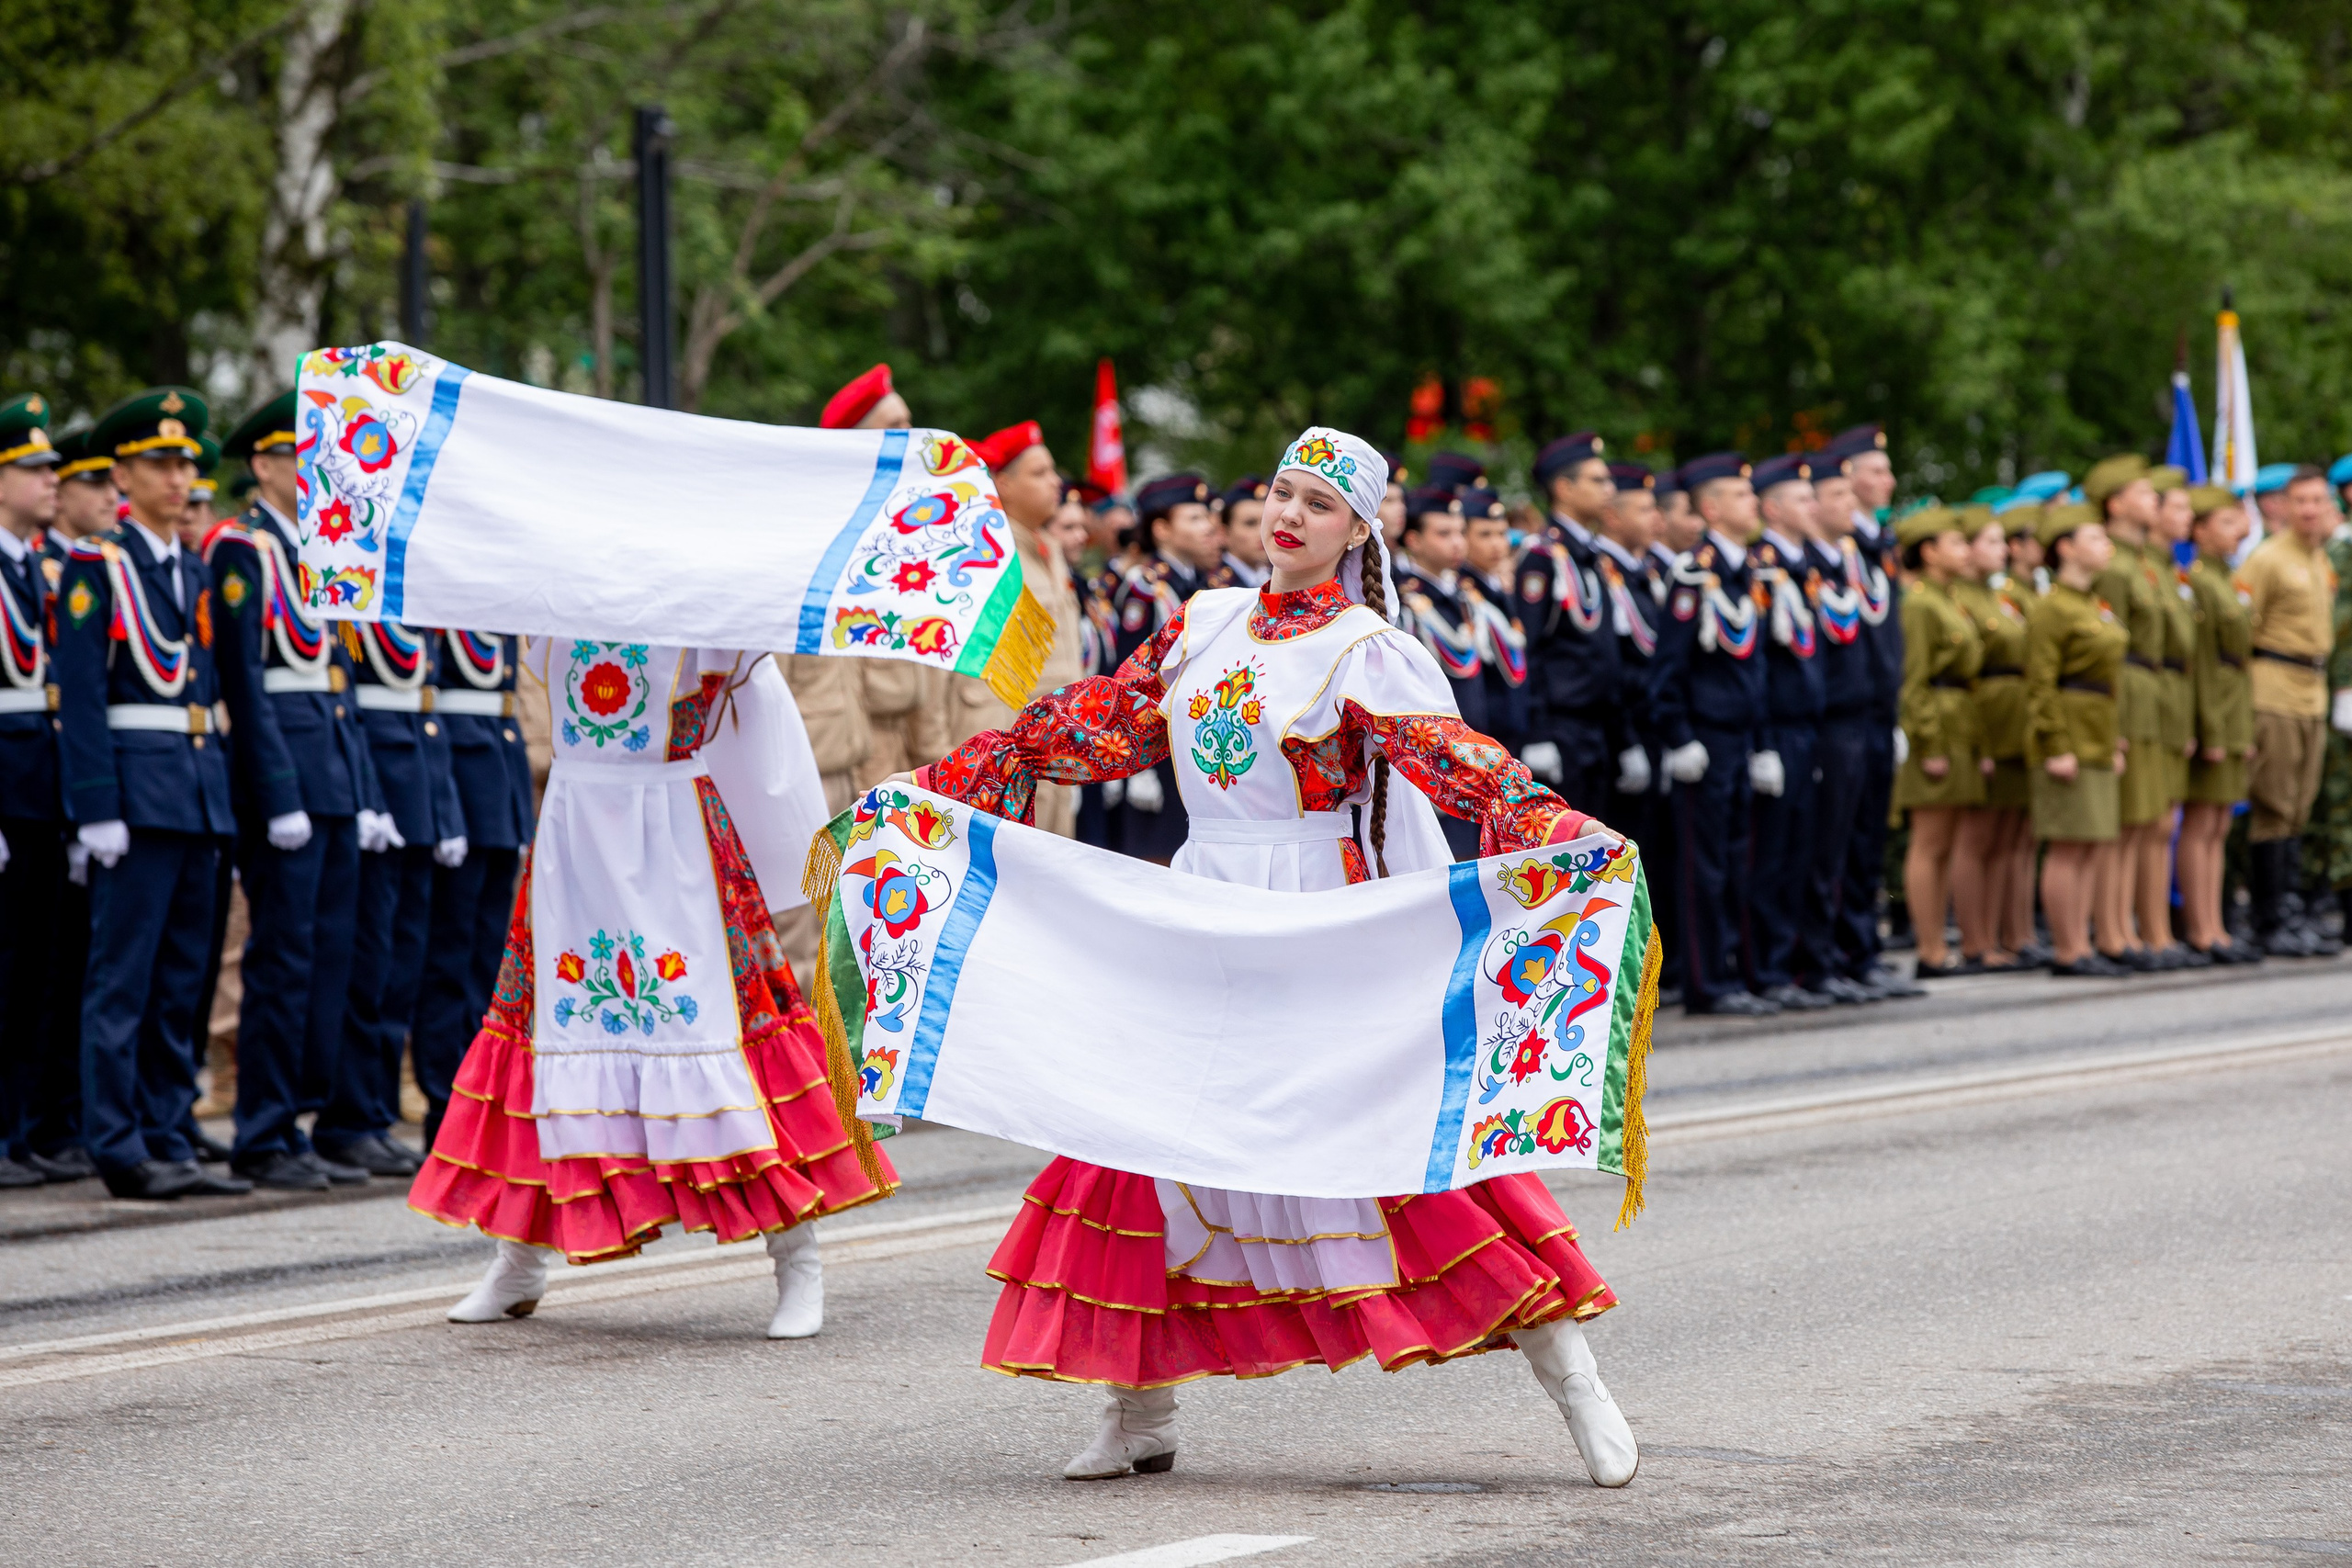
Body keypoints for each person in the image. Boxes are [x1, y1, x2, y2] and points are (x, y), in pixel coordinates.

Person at [910, 426, 1639, 1488]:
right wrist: (947, 786)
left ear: (1356, 531)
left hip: (1314, 914)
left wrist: (1549, 825)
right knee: (1142, 1136)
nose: (1287, 515)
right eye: (1278, 494)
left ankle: (1569, 1374)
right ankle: (1139, 1409)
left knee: (1389, 1144)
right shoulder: (1201, 625)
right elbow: (1099, 725)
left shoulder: (1362, 647)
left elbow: (1450, 762)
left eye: (1316, 503)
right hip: (1204, 904)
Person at [414, 639, 898, 1336]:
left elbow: (765, 731)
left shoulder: (704, 602)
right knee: (551, 1029)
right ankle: (518, 1256)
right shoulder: (551, 601)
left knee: (719, 1037)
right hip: (575, 832)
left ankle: (796, 1254)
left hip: (676, 836)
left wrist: (792, 845)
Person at [51, 388, 252, 1199]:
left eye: (185, 463)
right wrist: (94, 806)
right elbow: (82, 697)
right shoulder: (98, 565)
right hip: (135, 797)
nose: (179, 477)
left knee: (183, 977)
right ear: (123, 474)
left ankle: (169, 1126)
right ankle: (119, 1142)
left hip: (196, 790)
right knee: (121, 979)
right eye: (160, 463)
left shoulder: (193, 567)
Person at [203, 391, 390, 1190]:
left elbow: (339, 676)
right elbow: (245, 681)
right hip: (287, 777)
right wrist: (277, 792)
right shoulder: (243, 549)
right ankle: (265, 1128)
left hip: (335, 771)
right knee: (281, 957)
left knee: (330, 957)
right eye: (305, 459)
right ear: (265, 464)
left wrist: (364, 787)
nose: (321, 474)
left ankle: (305, 1121)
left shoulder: (319, 548)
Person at [321, 616, 467, 1177]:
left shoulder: (413, 605)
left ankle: (373, 1113)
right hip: (377, 786)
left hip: (419, 789)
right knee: (370, 967)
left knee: (402, 969)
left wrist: (444, 806)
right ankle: (351, 1116)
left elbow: (424, 709)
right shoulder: (355, 605)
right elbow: (349, 708)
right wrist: (368, 797)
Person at [1651, 452, 1775, 1016]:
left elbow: (1757, 667)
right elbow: (1668, 668)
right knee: (1704, 866)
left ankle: (1738, 972)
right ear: (1713, 507)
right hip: (1705, 737)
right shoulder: (1692, 572)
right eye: (1744, 497)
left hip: (1741, 737)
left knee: (1738, 860)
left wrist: (1764, 741)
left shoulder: (1748, 570)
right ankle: (1707, 983)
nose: (1755, 506)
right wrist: (1678, 736)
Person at [411, 628, 534, 1149]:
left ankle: (481, 1098)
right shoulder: (446, 600)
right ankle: (445, 1103)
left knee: (487, 959)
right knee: (449, 956)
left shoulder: (495, 602)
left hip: (498, 771)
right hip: (457, 772)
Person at [946, 421, 1085, 837]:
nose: (1055, 482)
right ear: (1002, 484)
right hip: (1010, 747)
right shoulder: (985, 557)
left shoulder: (1048, 549)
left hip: (1057, 743)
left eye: (1052, 471)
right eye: (1039, 473)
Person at [1823, 424, 1922, 997]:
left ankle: (1862, 949)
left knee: (1866, 840)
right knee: (1838, 841)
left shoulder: (1875, 542)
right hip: (1845, 711)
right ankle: (1839, 951)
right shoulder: (1840, 548)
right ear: (1848, 476)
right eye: (1876, 470)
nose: (1887, 481)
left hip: (1877, 710)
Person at [0, 393, 71, 1188]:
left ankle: (23, 1130)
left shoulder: (36, 565)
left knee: (38, 971)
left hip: (43, 787)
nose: (50, 480)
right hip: (7, 787)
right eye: (33, 468)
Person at [2240, 465, 2342, 954]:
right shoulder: (2268, 559)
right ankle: (2269, 916)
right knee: (2275, 805)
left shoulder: (2319, 558)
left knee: (2300, 806)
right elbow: (2243, 630)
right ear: (2282, 506)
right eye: (2300, 501)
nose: (2310, 510)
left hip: (2312, 687)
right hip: (2275, 687)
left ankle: (2290, 909)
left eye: (2317, 501)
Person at [2025, 502, 2129, 976]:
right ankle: (2068, 948)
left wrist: (2116, 739)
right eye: (2094, 538)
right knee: (2069, 844)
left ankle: (2083, 943)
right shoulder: (2052, 608)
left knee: (2091, 843)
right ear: (2064, 548)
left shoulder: (2093, 604)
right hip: (2068, 732)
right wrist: (2055, 745)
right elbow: (2040, 684)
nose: (2105, 545)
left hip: (2097, 731)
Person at [1745, 455, 1831, 1009]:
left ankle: (1803, 965)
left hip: (1807, 726)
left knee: (1805, 851)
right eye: (1802, 499)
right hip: (1774, 729)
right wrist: (1763, 741)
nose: (1814, 507)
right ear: (1772, 508)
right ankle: (1768, 968)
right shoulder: (1763, 568)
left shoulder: (1806, 566)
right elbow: (1758, 667)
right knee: (1770, 857)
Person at [1801, 453, 1887, 1001]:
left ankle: (1855, 951)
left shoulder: (1849, 561)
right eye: (1839, 497)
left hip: (1862, 717)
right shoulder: (1801, 567)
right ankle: (1819, 959)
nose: (1850, 507)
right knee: (1819, 851)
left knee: (1856, 846)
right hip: (1823, 724)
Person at [1110, 473, 1225, 863]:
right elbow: (1128, 676)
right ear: (1161, 529)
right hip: (1156, 743)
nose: (1209, 525)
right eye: (1193, 517)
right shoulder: (1146, 587)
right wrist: (1136, 764)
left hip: (1196, 737)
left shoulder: (1205, 582)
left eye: (1207, 516)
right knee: (1158, 860)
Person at [1891, 508, 1985, 976]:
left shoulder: (1948, 598)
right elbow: (1914, 682)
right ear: (1927, 552)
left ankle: (1939, 942)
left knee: (1946, 842)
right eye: (1955, 542)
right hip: (1935, 730)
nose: (1964, 551)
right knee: (1930, 842)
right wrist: (1928, 744)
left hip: (1957, 724)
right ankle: (1929, 948)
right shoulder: (1920, 602)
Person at [2081, 456, 2165, 969]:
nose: (2152, 498)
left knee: (2142, 821)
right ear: (2116, 504)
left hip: (2148, 690)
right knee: (2122, 821)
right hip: (2126, 688)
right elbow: (2107, 646)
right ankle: (2111, 933)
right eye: (2143, 491)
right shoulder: (2113, 566)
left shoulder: (2140, 560)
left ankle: (2129, 930)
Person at [1517, 434, 1623, 815]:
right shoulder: (1542, 557)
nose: (1610, 489)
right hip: (1562, 728)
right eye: (1597, 480)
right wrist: (1539, 733)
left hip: (1598, 727)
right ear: (1563, 487)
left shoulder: (1590, 555)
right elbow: (1528, 648)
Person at [1951, 504, 2035, 970]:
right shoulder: (1960, 599)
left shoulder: (1997, 596)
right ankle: (1975, 939)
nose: (2001, 551)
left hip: (2012, 719)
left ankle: (2013, 933)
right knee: (1977, 837)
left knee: (2011, 836)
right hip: (1985, 720)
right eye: (1990, 542)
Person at [2180, 487, 2258, 963]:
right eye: (2227, 524)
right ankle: (2200, 927)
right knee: (2201, 821)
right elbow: (2205, 664)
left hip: (2234, 707)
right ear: (2201, 530)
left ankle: (2216, 924)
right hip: (2215, 710)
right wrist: (2210, 727)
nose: (2240, 532)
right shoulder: (2200, 582)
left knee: (2217, 825)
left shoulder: (2228, 578)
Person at [1390, 487, 1484, 860]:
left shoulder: (1464, 596)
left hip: (1476, 749)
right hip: (1437, 755)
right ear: (1413, 540)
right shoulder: (1403, 598)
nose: (1457, 542)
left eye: (1460, 532)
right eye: (1443, 533)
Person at [2145, 467, 2201, 963]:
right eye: (2179, 507)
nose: (2190, 517)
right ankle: (2136, 931)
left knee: (2162, 824)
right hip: (2143, 708)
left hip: (2168, 703)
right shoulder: (2134, 569)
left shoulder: (2167, 567)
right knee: (2140, 826)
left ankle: (2158, 931)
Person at [1462, 485, 1532, 761]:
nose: (1497, 544)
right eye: (1485, 535)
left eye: (1502, 534)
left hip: (1513, 729)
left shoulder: (1498, 589)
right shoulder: (1463, 594)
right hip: (1484, 734)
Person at [1218, 476, 1271, 587]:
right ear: (1225, 533)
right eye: (1250, 523)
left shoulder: (1272, 577)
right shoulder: (1218, 590)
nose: (1262, 532)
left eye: (1266, 522)